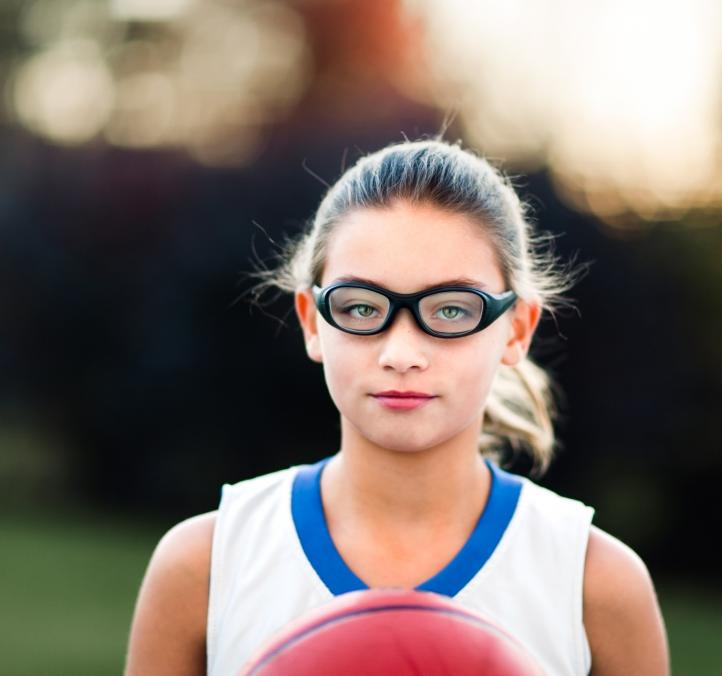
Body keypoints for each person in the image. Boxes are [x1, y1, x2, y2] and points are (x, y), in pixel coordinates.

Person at [125, 139, 670, 675]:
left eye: (452, 310)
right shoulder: (206, 566)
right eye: (361, 306)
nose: (401, 353)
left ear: (517, 330)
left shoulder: (594, 586)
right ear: (312, 321)